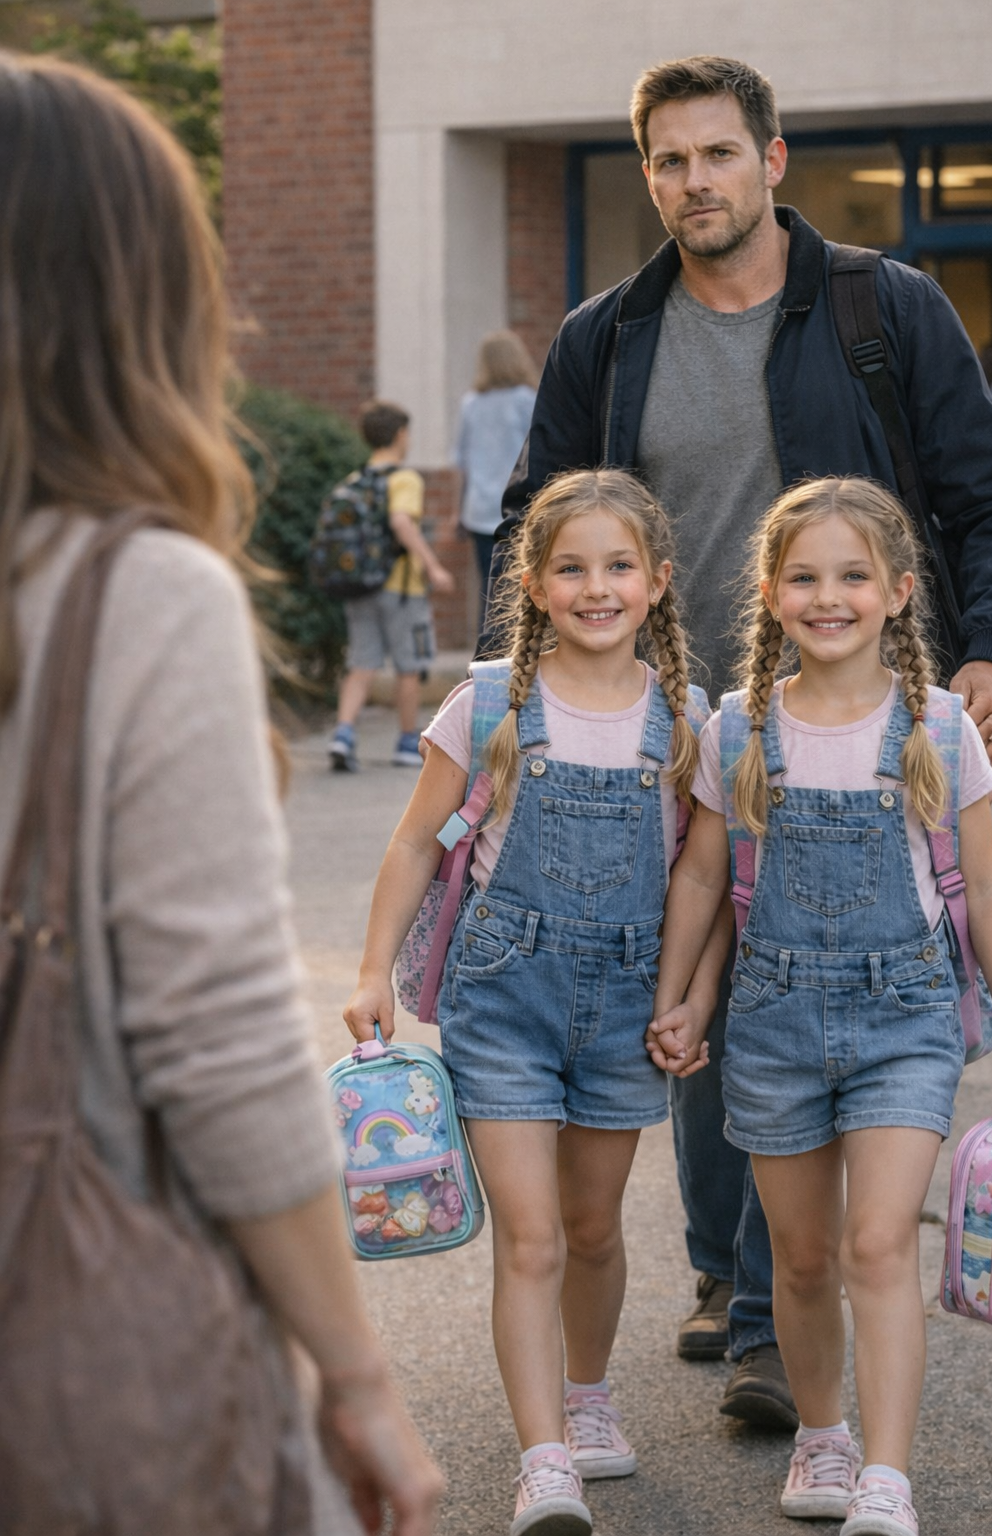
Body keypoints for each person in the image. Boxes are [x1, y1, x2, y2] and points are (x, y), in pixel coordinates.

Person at [493, 52, 992, 1429]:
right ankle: (741, 1287)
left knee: (843, 963)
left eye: (718, 153)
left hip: (861, 705)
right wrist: (529, 701)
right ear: (648, 175)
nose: (695, 181)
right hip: (682, 722)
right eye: (669, 160)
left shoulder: (877, 307)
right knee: (703, 974)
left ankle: (774, 1301)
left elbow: (986, 495)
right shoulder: (607, 337)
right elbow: (532, 517)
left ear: (772, 160)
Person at [0, 52, 442, 1536]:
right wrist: (356, 1373)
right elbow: (223, 1046)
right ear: (134, 295)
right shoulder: (127, 594)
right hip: (76, 1323)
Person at [345, 468, 722, 1536]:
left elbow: (706, 879)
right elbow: (414, 844)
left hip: (626, 1001)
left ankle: (587, 1397)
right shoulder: (489, 705)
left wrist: (687, 997)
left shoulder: (686, 720)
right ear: (535, 583)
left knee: (592, 1229)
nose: (595, 588)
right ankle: (543, 1457)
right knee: (530, 1236)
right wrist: (370, 971)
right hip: (503, 993)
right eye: (571, 568)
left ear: (656, 581)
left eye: (618, 567)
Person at [648, 475, 992, 1536]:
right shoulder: (738, 729)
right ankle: (824, 1434)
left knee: (877, 1245)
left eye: (853, 576)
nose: (828, 598)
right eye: (804, 578)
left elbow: (987, 886)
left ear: (898, 591)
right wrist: (681, 998)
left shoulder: (939, 727)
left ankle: (888, 1474)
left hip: (905, 1018)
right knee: (802, 1257)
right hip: (771, 1022)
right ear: (771, 594)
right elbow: (703, 876)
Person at [329, 400, 454, 772]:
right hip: (401, 589)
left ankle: (343, 734)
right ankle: (406, 742)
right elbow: (401, 522)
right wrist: (433, 566)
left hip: (360, 585)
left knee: (362, 663)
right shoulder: (404, 479)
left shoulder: (355, 480)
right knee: (408, 666)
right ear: (400, 434)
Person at [453, 330, 538, 628]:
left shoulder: (471, 403)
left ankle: (487, 651)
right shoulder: (527, 400)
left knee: (488, 592)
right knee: (519, 590)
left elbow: (461, 463)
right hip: (519, 508)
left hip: (478, 509)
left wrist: (457, 511)